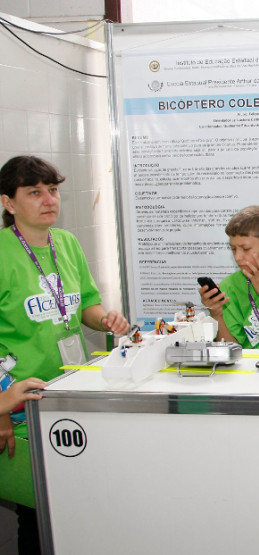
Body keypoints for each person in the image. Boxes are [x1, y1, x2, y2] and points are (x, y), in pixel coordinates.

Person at [0, 155, 130, 554]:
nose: (48, 200)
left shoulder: (68, 243)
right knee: (39, 515)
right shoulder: (3, 254)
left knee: (73, 507)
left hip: (68, 392)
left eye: (53, 190)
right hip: (22, 403)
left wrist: (105, 319)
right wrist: (1, 409)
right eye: (34, 192)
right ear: (8, 203)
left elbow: (85, 305)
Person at [199, 206, 259, 348]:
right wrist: (217, 315)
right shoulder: (229, 286)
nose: (237, 257)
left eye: (246, 249)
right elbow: (231, 350)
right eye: (233, 249)